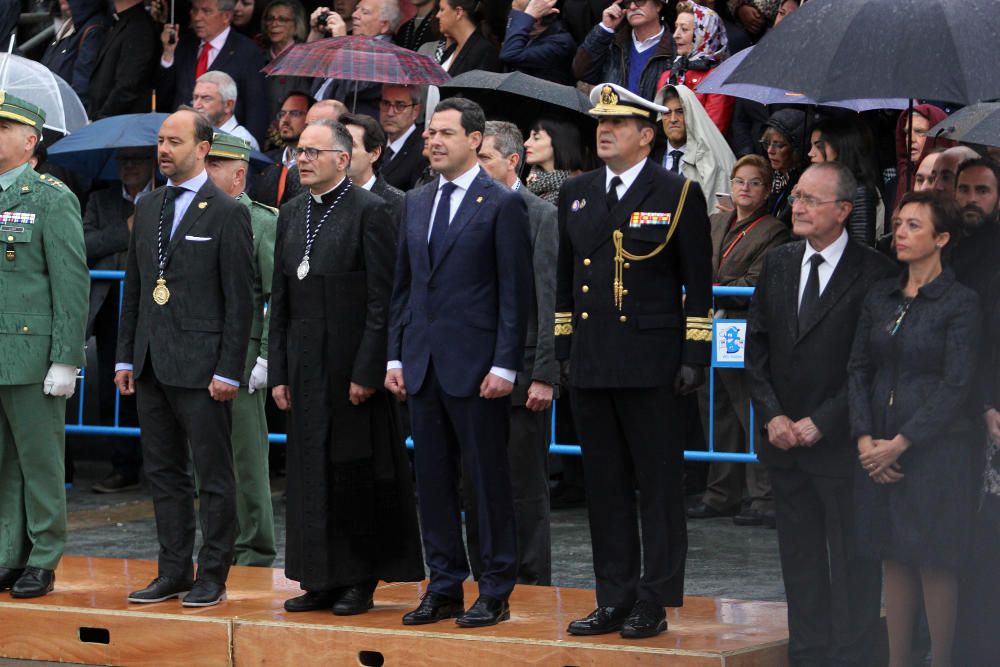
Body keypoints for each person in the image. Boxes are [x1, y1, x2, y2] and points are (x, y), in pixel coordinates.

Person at [557, 83, 713, 639]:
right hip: (594, 360)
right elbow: (563, 287)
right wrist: (563, 351)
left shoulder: (676, 192)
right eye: (600, 122)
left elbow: (699, 285)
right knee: (605, 487)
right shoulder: (574, 192)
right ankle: (614, 595)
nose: (604, 130)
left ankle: (655, 596)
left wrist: (695, 355)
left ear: (647, 135)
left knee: (659, 487)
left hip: (652, 362)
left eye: (618, 124)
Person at [385, 97, 532, 628]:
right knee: (433, 482)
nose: (434, 141)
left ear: (475, 139)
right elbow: (404, 288)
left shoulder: (500, 203)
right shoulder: (415, 202)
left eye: (445, 133)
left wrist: (506, 365)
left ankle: (494, 587)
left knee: (486, 483)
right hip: (422, 364)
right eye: (429, 134)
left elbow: (516, 293)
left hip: (478, 369)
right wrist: (395, 354)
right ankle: (444, 584)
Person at [268, 118, 424, 614]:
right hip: (305, 368)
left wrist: (367, 370)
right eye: (299, 151)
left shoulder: (371, 211)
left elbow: (383, 300)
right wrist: (278, 372)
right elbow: (282, 301)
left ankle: (359, 577)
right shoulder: (291, 213)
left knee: (354, 474)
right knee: (310, 476)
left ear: (343, 158)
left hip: (351, 368)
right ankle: (320, 576)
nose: (303, 159)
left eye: (314, 152)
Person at [746, 162, 895, 665]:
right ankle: (807, 652)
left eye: (812, 199)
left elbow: (872, 364)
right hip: (784, 442)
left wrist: (822, 421)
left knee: (854, 560)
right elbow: (757, 347)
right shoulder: (779, 262)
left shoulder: (875, 271)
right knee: (800, 558)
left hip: (842, 444)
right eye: (798, 196)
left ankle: (853, 653)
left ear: (844, 211)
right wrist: (772, 415)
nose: (799, 205)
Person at [116, 108, 254, 608]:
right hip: (152, 361)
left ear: (203, 147)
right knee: (164, 472)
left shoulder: (227, 211)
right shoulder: (150, 205)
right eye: (161, 141)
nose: (163, 150)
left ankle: (212, 573)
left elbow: (240, 301)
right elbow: (134, 285)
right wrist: (124, 358)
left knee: (213, 475)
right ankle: (172, 569)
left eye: (175, 141)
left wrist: (228, 369)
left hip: (203, 367)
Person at [848, 190, 980, 667]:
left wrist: (901, 444)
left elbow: (957, 383)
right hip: (878, 442)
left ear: (941, 238)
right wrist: (866, 440)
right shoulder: (880, 296)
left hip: (935, 450)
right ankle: (896, 661)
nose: (900, 233)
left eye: (913, 226)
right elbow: (858, 368)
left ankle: (940, 659)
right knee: (892, 555)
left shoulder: (960, 302)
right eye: (899, 223)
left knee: (934, 558)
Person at [0, 93, 89, 599]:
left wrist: (66, 358)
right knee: (3, 464)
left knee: (39, 461)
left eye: (3, 127)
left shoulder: (50, 197)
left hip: (32, 354)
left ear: (30, 139)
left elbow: (70, 283)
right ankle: (7, 552)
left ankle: (43, 556)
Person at [471, 119, 559, 586]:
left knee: (524, 489)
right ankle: (482, 575)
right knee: (477, 486)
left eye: (484, 157)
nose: (478, 167)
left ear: (511, 160)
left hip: (523, 378)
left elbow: (548, 299)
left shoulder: (539, 214)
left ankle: (529, 583)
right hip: (467, 373)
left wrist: (545, 374)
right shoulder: (463, 209)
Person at [688, 154, 788, 524]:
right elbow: (697, 265)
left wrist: (712, 289)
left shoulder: (774, 230)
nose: (745, 189)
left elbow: (758, 279)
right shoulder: (715, 222)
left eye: (755, 183)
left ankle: (762, 496)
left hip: (743, 327)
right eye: (739, 181)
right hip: (710, 326)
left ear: (766, 190)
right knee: (714, 409)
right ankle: (721, 493)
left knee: (749, 409)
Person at [204, 133, 278, 567]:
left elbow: (274, 294)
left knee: (247, 458)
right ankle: (218, 545)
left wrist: (266, 355)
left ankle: (254, 548)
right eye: (205, 162)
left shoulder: (261, 221)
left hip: (245, 355)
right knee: (206, 460)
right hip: (200, 351)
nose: (207, 172)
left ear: (239, 174)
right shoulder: (194, 215)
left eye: (216, 164)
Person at [84, 148, 156, 495]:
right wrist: (124, 229)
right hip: (112, 306)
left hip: (157, 307)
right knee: (113, 388)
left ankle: (158, 465)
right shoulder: (101, 201)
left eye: (137, 159)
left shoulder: (166, 196)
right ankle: (122, 465)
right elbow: (82, 244)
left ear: (151, 163)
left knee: (156, 386)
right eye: (123, 160)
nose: (129, 166)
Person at [157, 0, 269, 146]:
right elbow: (164, 96)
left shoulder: (248, 52)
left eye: (206, 11)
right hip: (181, 143)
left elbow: (256, 111)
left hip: (223, 146)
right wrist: (168, 54)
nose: (197, 17)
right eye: (195, 10)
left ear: (226, 16)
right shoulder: (182, 44)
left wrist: (251, 155)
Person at [310, 0, 400, 120]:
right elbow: (306, 70)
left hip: (347, 130)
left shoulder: (388, 56)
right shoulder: (350, 45)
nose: (354, 15)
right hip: (315, 120)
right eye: (357, 9)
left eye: (365, 12)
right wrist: (316, 32)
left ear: (384, 25)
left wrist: (342, 41)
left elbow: (353, 86)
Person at [652, 83, 734, 213]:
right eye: (666, 113)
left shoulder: (710, 163)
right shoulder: (647, 157)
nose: (673, 119)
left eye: (680, 112)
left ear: (691, 115)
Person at [573, 0, 675, 102]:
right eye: (627, 2)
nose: (632, 6)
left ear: (658, 5)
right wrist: (605, 29)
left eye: (640, 1)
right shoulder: (613, 43)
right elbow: (582, 72)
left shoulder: (675, 49)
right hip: (613, 116)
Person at [657, 2, 731, 134]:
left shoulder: (718, 79)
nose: (676, 35)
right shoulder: (668, 75)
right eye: (676, 28)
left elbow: (711, 132)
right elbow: (660, 127)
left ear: (705, 35)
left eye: (684, 29)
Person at [808, 116, 883, 246]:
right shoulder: (816, 186)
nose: (810, 153)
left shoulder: (858, 191)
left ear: (840, 146)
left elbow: (862, 246)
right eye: (811, 146)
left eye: (819, 146)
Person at [87, 0, 160, 119]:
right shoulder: (120, 21)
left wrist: (101, 118)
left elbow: (128, 86)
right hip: (107, 121)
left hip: (118, 125)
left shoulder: (139, 27)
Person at [249, 91, 313, 207]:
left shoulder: (316, 164)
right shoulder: (266, 162)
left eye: (295, 113)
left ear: (311, 118)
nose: (285, 120)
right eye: (282, 114)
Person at [40, 0, 109, 107]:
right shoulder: (70, 24)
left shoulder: (94, 30)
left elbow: (81, 90)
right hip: (51, 107)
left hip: (67, 113)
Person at [951, 157, 1000, 299]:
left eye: (982, 191)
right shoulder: (940, 241)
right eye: (964, 189)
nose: (972, 198)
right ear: (954, 195)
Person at [341, 112, 404, 219]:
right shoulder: (325, 195)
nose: (341, 152)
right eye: (339, 144)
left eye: (350, 145)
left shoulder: (397, 203)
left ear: (374, 154)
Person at [500, 0, 577, 86]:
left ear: (536, 20)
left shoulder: (560, 43)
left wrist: (528, 15)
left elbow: (509, 55)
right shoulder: (526, 34)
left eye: (518, 17)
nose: (511, 19)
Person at [261, 0, 311, 124]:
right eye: (270, 18)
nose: (274, 24)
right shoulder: (258, 58)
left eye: (282, 19)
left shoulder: (306, 57)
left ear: (296, 25)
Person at [893, 104, 951, 206]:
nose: (910, 139)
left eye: (919, 132)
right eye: (907, 133)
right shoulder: (900, 182)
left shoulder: (957, 182)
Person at [523, 117, 588, 205]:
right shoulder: (533, 182)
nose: (526, 143)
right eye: (529, 137)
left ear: (558, 143)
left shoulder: (580, 188)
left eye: (536, 138)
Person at [192, 70, 260, 150]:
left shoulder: (240, 141)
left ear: (228, 105)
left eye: (206, 98)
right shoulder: (192, 132)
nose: (196, 105)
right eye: (195, 98)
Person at [761, 108, 807, 225]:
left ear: (796, 148)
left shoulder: (803, 182)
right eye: (767, 144)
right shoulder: (770, 175)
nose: (770, 151)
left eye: (779, 145)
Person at [379, 85, 429, 192]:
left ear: (415, 111)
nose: (390, 113)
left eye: (400, 106)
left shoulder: (422, 151)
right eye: (386, 103)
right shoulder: (374, 140)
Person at [430, 0, 500, 74]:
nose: (437, 15)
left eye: (442, 9)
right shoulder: (452, 48)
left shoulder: (484, 51)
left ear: (458, 13)